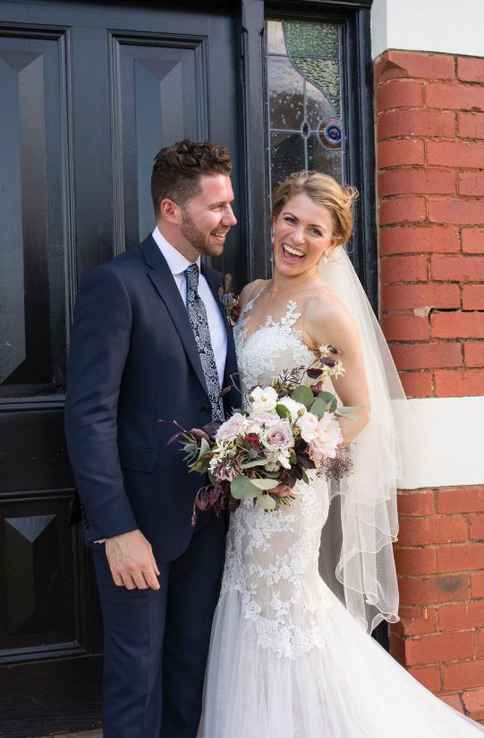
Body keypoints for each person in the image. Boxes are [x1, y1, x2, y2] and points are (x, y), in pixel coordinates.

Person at [199, 171, 484, 737]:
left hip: (290, 492)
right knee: (248, 603)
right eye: (290, 220)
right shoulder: (252, 295)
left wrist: (295, 450)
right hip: (246, 490)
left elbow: (358, 409)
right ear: (274, 217)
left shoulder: (326, 309)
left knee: (287, 612)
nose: (297, 238)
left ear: (332, 244)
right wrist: (243, 448)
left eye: (315, 230)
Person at [65, 139, 238, 738]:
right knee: (136, 681)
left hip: (211, 521)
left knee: (190, 672)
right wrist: (116, 529)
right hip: (139, 526)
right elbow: (90, 415)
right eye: (218, 206)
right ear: (172, 209)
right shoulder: (116, 284)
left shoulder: (214, 288)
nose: (231, 219)